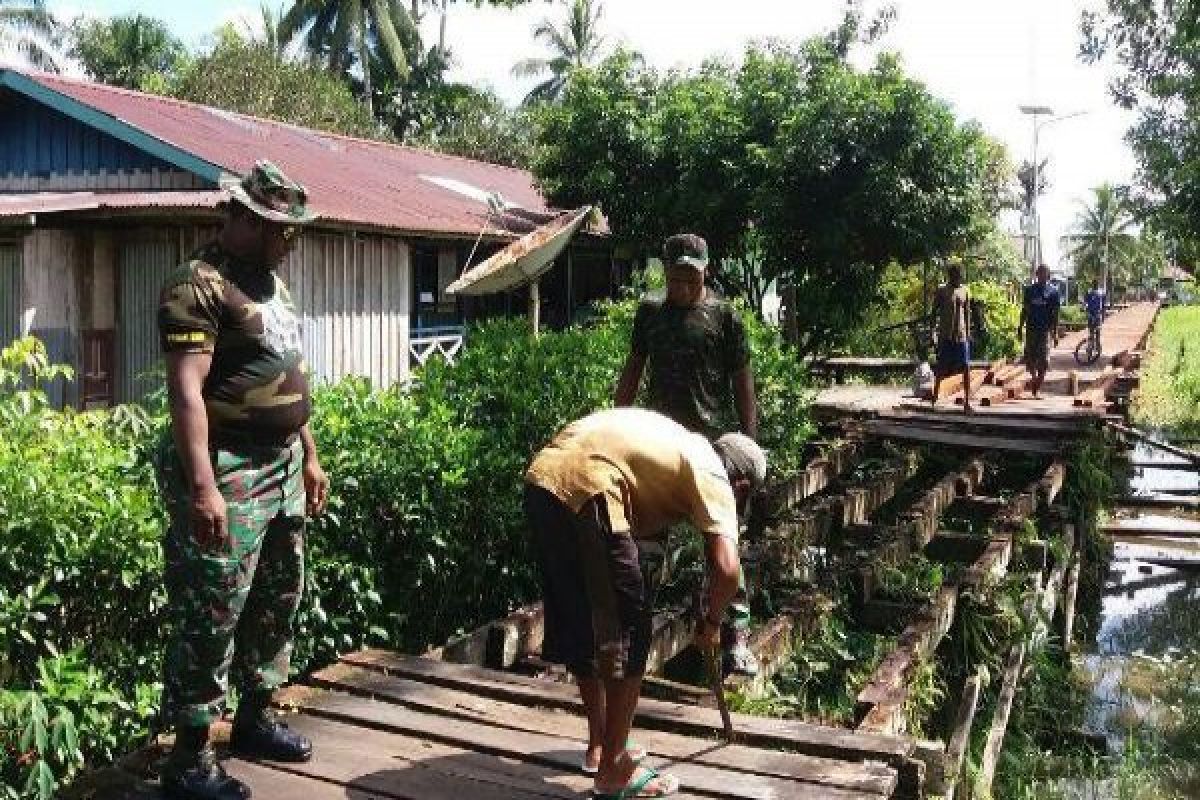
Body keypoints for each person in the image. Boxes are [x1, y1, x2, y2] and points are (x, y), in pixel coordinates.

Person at [156, 161, 329, 800]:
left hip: (281, 465)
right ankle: (191, 757)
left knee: (278, 597)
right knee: (213, 608)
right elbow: (186, 394)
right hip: (227, 469)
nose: (292, 240)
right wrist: (203, 488)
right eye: (283, 228)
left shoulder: (271, 283)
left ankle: (256, 717)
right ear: (249, 220)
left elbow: (287, 372)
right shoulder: (196, 286)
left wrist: (308, 453)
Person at [524, 408, 767, 799]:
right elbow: (726, 571)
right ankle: (615, 770)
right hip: (594, 485)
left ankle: (599, 746)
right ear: (739, 486)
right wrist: (712, 623)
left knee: (588, 617)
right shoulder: (713, 475)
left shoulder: (677, 447)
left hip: (544, 479)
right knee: (632, 628)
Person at [613, 233, 759, 677]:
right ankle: (633, 632)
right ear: (665, 270)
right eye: (674, 273)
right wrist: (618, 426)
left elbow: (743, 382)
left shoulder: (724, 317)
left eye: (690, 274)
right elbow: (633, 372)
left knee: (723, 542)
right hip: (659, 444)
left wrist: (747, 440)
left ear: (705, 271)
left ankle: (734, 638)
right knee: (646, 544)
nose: (681, 282)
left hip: (710, 446)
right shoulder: (650, 315)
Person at [930, 263, 972, 412]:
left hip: (961, 336)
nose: (958, 277)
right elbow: (934, 312)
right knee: (941, 366)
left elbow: (967, 313)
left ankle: (967, 402)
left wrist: (968, 333)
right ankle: (935, 397)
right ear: (950, 275)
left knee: (966, 366)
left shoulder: (965, 291)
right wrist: (932, 332)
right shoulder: (942, 291)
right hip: (945, 335)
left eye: (959, 275)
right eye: (955, 275)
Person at [1019, 264, 1061, 398]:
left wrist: (1055, 334)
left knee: (1044, 360)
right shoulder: (1029, 290)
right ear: (1036, 275)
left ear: (1048, 276)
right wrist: (1020, 327)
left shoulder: (1053, 292)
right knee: (1030, 358)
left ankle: (1038, 382)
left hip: (1045, 331)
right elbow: (1024, 310)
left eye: (1045, 274)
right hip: (1031, 329)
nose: (1042, 276)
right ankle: (1033, 376)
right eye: (1040, 273)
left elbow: (1055, 314)